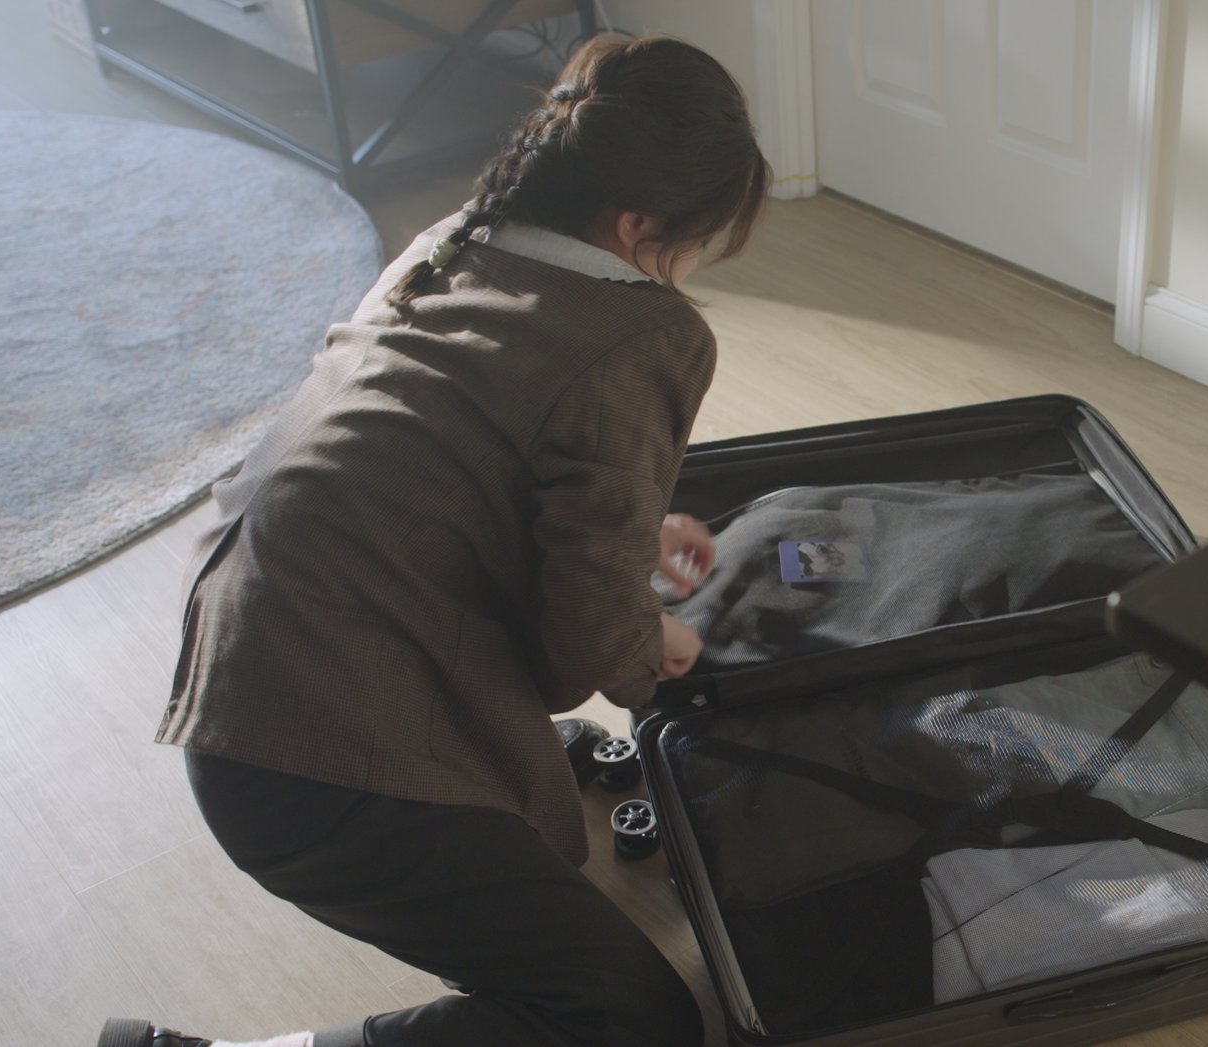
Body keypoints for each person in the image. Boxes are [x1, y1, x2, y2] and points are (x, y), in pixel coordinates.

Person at [100, 32, 769, 1047]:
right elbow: (591, 649)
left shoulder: (453, 240)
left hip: (246, 676)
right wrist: (651, 648)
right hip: (314, 771)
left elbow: (440, 470)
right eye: (687, 244)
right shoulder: (646, 332)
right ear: (636, 224)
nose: (681, 270)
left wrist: (637, 526)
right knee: (633, 1021)